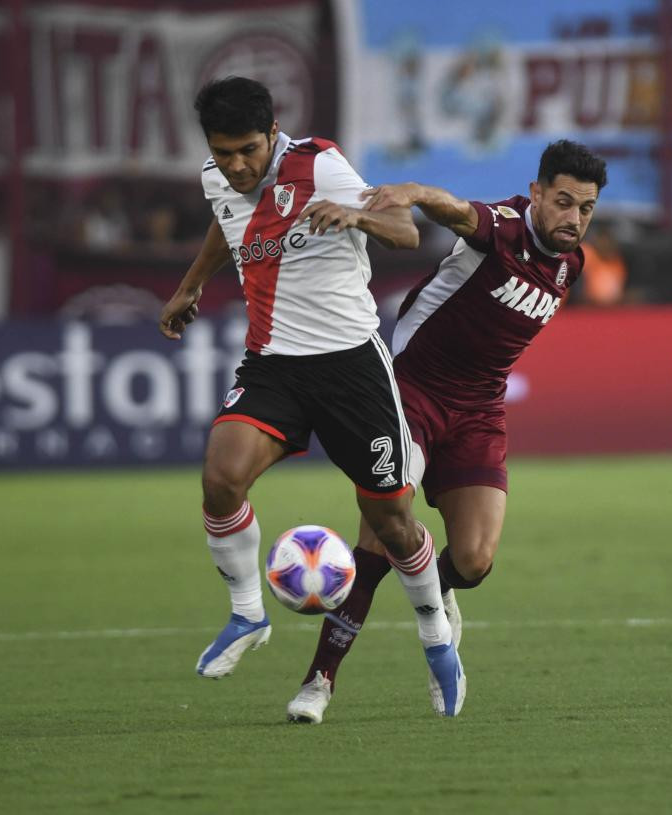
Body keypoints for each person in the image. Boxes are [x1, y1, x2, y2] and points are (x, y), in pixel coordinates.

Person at [157, 76, 466, 717]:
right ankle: (248, 614)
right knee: (221, 479)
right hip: (274, 367)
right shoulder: (218, 178)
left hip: (352, 368)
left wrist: (356, 214)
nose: (237, 165)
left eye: (248, 149)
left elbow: (406, 234)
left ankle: (436, 633)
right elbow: (229, 223)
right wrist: (191, 284)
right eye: (224, 151)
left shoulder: (319, 163)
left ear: (273, 133)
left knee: (392, 523)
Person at [286, 140, 608, 723]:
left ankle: (440, 591)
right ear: (536, 195)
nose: (574, 218)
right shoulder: (505, 227)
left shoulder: (571, 262)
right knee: (381, 538)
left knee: (477, 559)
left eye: (586, 208)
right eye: (563, 202)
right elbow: (454, 209)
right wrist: (408, 194)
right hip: (410, 394)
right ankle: (318, 683)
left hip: (480, 410)